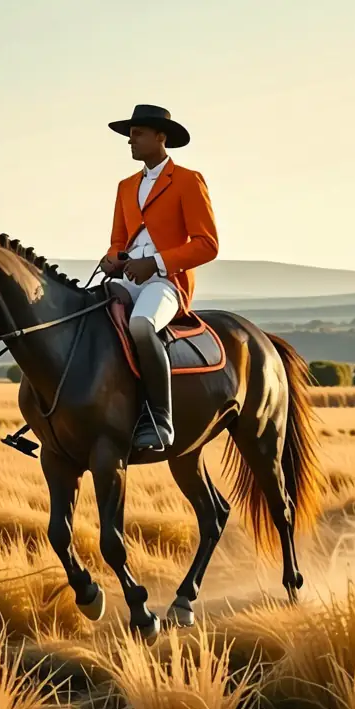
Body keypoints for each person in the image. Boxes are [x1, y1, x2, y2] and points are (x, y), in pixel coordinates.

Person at [100, 104, 219, 451]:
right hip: (128, 280)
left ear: (160, 137)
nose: (130, 142)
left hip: (167, 283)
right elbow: (117, 242)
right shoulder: (125, 187)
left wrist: (156, 263)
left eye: (136, 134)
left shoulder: (187, 180)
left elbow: (207, 245)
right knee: (86, 315)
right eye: (130, 135)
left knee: (140, 326)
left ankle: (159, 419)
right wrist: (113, 260)